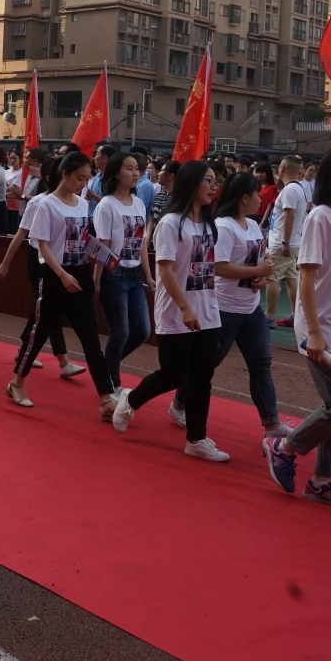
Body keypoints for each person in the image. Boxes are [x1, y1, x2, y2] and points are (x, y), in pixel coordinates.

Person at [264, 143, 331, 512]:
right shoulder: (320, 217)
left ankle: (321, 482)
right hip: (323, 327)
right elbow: (306, 279)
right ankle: (286, 447)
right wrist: (314, 330)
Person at [111, 160, 232, 461]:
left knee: (203, 375)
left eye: (216, 181)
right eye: (209, 180)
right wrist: (185, 307)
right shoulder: (171, 222)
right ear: (192, 182)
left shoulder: (208, 222)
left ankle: (196, 439)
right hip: (177, 311)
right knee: (173, 373)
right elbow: (164, 270)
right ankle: (131, 399)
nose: (214, 186)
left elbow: (209, 266)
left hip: (207, 310)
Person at [10, 151, 115, 413]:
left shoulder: (82, 204)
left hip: (79, 273)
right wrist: (62, 274)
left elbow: (80, 237)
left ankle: (106, 397)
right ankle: (17, 382)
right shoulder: (46, 204)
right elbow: (42, 246)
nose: (83, 184)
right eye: (79, 178)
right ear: (64, 174)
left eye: (87, 179)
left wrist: (99, 251)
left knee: (91, 339)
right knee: (39, 332)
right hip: (54, 275)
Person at [211, 171, 292, 439]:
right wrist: (255, 271)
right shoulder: (224, 226)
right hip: (225, 308)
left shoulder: (253, 225)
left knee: (261, 364)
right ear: (244, 197)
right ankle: (181, 403)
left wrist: (263, 274)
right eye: (258, 193)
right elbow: (220, 267)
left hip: (250, 308)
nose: (261, 199)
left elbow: (263, 256)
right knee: (209, 362)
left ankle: (271, 424)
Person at [93, 151, 153, 396]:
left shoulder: (138, 203)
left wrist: (148, 276)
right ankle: (113, 384)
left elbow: (142, 244)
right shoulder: (107, 205)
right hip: (113, 273)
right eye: (129, 168)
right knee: (121, 332)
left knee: (142, 331)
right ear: (116, 173)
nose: (136, 172)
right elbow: (103, 245)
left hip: (134, 275)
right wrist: (96, 280)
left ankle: (107, 368)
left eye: (137, 168)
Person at [265, 156, 308, 327]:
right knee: (290, 278)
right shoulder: (295, 188)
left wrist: (285, 241)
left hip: (283, 242)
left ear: (282, 168)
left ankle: (269, 315)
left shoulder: (290, 190)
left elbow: (289, 216)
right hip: (291, 241)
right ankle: (295, 314)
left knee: (272, 278)